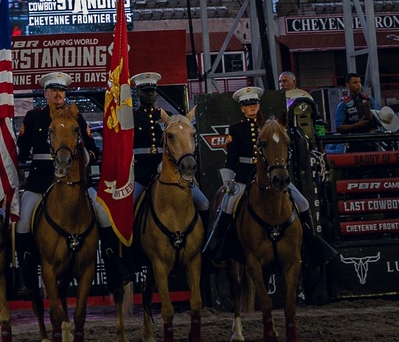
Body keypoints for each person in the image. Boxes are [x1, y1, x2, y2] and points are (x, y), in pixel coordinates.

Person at [14, 72, 126, 293]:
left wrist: (84, 159)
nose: (58, 94)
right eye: (54, 91)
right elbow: (22, 152)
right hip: (41, 183)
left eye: (61, 91)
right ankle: (25, 273)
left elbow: (93, 149)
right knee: (23, 221)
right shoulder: (33, 116)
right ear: (46, 93)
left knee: (103, 213)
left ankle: (114, 263)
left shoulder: (76, 117)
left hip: (74, 183)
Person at [204, 86, 334, 265]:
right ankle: (222, 246)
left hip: (272, 174)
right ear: (242, 108)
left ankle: (310, 243)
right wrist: (228, 179)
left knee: (302, 202)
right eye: (247, 105)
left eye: (254, 104)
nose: (252, 107)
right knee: (228, 205)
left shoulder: (271, 127)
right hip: (244, 175)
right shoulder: (236, 129)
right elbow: (232, 156)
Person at [131, 71, 208, 213]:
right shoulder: (132, 118)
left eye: (153, 91)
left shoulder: (169, 117)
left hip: (170, 168)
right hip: (140, 173)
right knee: (128, 208)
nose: (150, 94)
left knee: (203, 203)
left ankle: (204, 235)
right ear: (138, 92)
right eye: (146, 91)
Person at [334, 72, 381, 140]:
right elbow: (339, 128)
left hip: (371, 137)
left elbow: (379, 116)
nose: (359, 85)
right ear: (348, 85)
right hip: (353, 139)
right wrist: (357, 125)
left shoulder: (369, 99)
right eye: (355, 82)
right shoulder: (343, 104)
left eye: (359, 82)